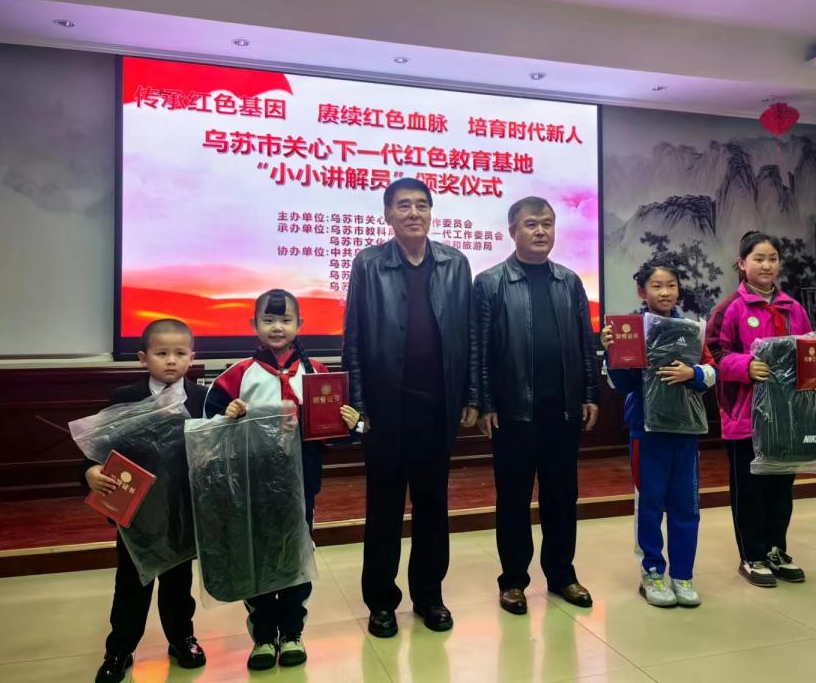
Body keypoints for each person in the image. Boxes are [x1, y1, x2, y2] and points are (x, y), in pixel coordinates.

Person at [342, 178, 480, 638]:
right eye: (403, 206)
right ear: (388, 215)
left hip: (437, 407)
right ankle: (381, 602)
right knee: (383, 509)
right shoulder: (368, 263)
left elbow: (469, 336)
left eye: (422, 205)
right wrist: (359, 404)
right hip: (385, 410)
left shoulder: (455, 263)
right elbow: (353, 339)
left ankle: (429, 596)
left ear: (431, 213)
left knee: (432, 506)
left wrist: (471, 396)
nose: (414, 213)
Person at [205, 289, 359, 670]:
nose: (277, 327)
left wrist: (352, 424)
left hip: (302, 478)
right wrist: (229, 414)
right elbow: (211, 424)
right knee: (256, 552)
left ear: (300, 325)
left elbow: (335, 429)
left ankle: (292, 631)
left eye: (286, 319)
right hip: (253, 481)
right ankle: (262, 635)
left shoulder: (317, 373)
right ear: (254, 325)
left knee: (296, 550)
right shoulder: (237, 375)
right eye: (269, 320)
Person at [474, 196, 599, 616]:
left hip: (563, 411)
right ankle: (513, 581)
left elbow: (585, 343)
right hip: (513, 413)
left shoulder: (569, 281)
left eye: (547, 223)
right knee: (513, 501)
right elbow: (480, 349)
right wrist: (485, 401)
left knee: (562, 498)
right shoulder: (491, 283)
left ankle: (562, 575)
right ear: (513, 230)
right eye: (531, 224)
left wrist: (590, 393)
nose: (541, 231)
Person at [86, 318, 206, 683]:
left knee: (178, 582)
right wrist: (90, 471)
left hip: (182, 511)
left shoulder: (203, 399)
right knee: (131, 584)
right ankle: (120, 648)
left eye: (180, 353)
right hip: (136, 513)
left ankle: (181, 638)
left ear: (192, 357)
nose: (171, 360)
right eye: (161, 353)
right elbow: (98, 447)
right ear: (143, 358)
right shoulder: (125, 398)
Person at [706, 231, 816, 588]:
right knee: (749, 490)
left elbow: (809, 354)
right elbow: (713, 354)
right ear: (742, 264)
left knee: (781, 489)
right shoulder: (730, 308)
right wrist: (745, 367)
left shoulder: (794, 308)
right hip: (745, 417)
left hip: (788, 418)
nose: (766, 265)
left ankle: (776, 549)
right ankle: (752, 556)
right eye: (758, 258)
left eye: (772, 259)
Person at [601, 260, 715, 608]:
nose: (665, 292)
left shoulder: (692, 329)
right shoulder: (630, 330)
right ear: (642, 291)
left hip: (685, 431)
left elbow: (712, 371)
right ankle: (652, 573)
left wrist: (693, 374)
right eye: (656, 286)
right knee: (649, 505)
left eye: (671, 285)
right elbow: (621, 385)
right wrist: (613, 351)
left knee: (686, 506)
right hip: (647, 433)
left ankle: (683, 575)